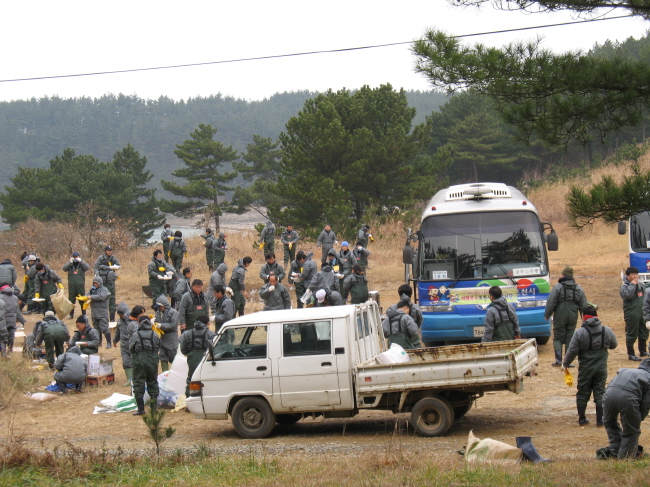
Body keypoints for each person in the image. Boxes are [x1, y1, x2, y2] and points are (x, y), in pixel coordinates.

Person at [561, 305, 617, 426]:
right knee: (600, 391)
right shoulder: (606, 330)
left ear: (583, 317)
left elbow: (572, 351)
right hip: (601, 367)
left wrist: (565, 364)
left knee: (583, 391)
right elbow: (614, 345)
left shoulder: (579, 333)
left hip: (586, 368)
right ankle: (600, 419)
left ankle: (582, 418)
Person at [602, 358, 650, 459]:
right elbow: (646, 403)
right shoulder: (648, 378)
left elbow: (610, 385)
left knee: (609, 422)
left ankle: (615, 451)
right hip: (628, 398)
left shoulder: (625, 370)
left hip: (609, 395)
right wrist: (638, 418)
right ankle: (625, 459)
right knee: (631, 431)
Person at [545, 266, 588, 366]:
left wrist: (547, 314)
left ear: (563, 275)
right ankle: (568, 361)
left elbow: (551, 302)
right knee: (570, 336)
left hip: (560, 313)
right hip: (573, 314)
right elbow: (583, 305)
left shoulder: (558, 287)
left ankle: (559, 360)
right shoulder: (578, 288)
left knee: (558, 337)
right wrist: (584, 318)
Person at [129, 316, 161, 415]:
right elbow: (158, 347)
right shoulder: (155, 334)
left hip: (139, 360)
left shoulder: (135, 335)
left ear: (139, 323)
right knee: (153, 382)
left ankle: (141, 409)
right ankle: (154, 408)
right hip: (153, 360)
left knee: (138, 383)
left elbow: (131, 348)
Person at [180, 314, 216, 397]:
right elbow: (215, 350)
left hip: (192, 358)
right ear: (208, 323)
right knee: (206, 380)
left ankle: (189, 401)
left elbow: (183, 349)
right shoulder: (211, 334)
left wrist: (189, 353)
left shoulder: (187, 333)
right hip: (206, 359)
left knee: (191, 379)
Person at [623, 267, 648, 361]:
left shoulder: (641, 285)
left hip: (642, 313)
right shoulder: (625, 287)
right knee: (631, 333)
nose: (635, 276)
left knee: (644, 332)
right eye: (633, 275)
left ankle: (643, 350)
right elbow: (627, 295)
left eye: (636, 274)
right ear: (627, 276)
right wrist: (632, 285)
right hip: (631, 314)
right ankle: (631, 354)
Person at [80, 275, 112, 348]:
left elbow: (101, 297)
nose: (95, 285)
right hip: (94, 313)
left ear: (100, 283)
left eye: (96, 283)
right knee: (96, 329)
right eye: (94, 283)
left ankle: (109, 343)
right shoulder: (92, 290)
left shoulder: (105, 290)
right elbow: (87, 295)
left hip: (102, 313)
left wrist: (92, 297)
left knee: (104, 328)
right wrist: (85, 297)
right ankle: (99, 342)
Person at [94, 246, 120, 322]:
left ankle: (112, 319)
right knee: (103, 300)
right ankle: (103, 317)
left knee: (111, 300)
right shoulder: (101, 258)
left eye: (111, 250)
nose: (110, 252)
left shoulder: (113, 258)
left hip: (110, 280)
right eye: (108, 250)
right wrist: (97, 274)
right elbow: (96, 267)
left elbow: (118, 265)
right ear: (105, 251)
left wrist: (114, 268)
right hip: (102, 282)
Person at [154, 295, 180, 372]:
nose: (158, 308)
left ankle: (175, 373)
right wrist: (154, 323)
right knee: (162, 357)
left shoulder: (173, 313)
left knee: (173, 357)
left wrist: (161, 326)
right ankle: (164, 374)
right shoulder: (158, 313)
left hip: (171, 339)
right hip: (162, 339)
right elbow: (156, 323)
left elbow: (173, 325)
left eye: (160, 306)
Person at [62, 252, 90, 319]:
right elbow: (64, 269)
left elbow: (87, 267)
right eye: (74, 257)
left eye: (76, 257)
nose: (75, 258)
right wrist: (70, 262)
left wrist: (81, 261)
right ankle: (71, 315)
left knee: (82, 299)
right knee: (71, 300)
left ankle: (84, 314)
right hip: (72, 285)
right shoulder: (70, 265)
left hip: (80, 285)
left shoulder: (81, 265)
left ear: (79, 257)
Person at [113, 302, 133, 385]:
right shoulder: (119, 322)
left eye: (121, 314)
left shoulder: (132, 320)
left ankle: (134, 378)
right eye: (119, 315)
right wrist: (115, 340)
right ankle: (129, 379)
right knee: (126, 362)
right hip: (123, 344)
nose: (120, 316)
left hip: (132, 343)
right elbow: (118, 332)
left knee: (134, 361)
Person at [0, 285, 25, 353]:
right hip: (12, 321)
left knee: (2, 337)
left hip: (3, 321)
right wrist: (25, 323)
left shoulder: (1, 297)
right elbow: (17, 312)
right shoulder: (15, 298)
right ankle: (10, 351)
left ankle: (3, 353)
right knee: (11, 337)